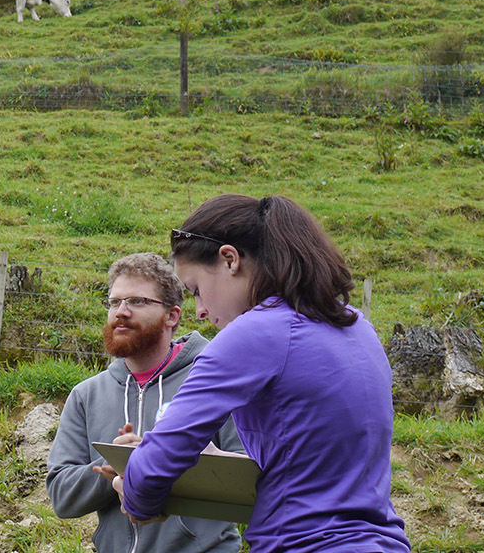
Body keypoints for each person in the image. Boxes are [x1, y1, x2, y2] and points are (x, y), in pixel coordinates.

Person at [113, 194, 410, 553]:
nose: (201, 311)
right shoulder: (357, 327)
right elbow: (313, 462)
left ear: (229, 259)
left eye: (196, 290)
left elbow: (157, 462)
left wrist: (135, 492)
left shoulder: (253, 333)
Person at [46, 253, 244, 553]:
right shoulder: (87, 395)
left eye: (137, 302)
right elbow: (62, 496)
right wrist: (118, 461)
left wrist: (156, 460)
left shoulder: (213, 381)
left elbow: (244, 480)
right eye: (114, 302)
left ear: (172, 316)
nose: (121, 312)